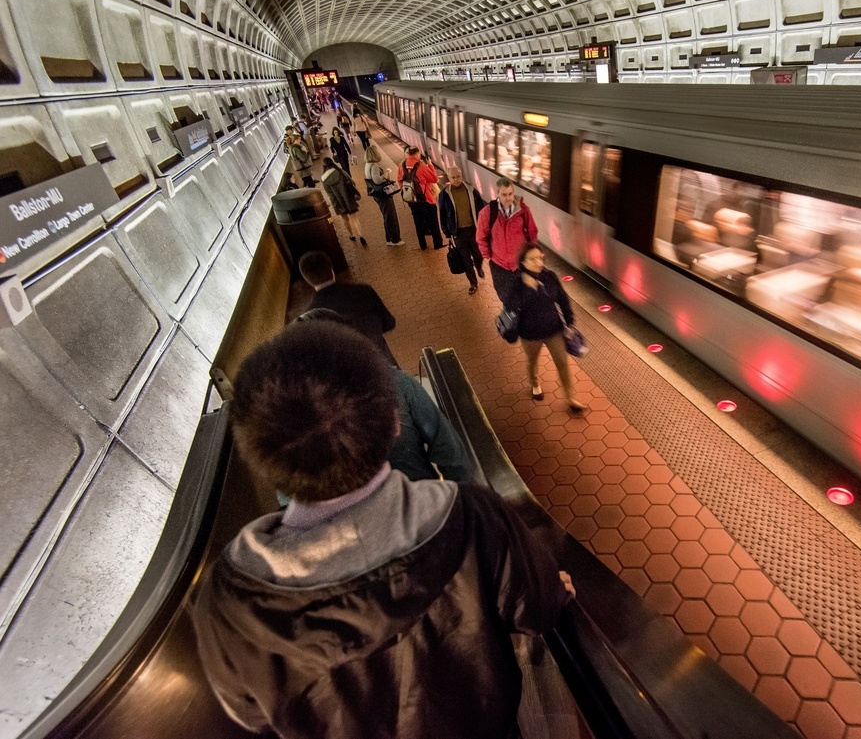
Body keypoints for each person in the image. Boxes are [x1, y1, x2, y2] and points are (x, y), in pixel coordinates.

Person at [191, 321, 574, 739]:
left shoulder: (227, 604)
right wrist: (555, 587)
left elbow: (254, 716)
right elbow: (536, 608)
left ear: (262, 464)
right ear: (394, 423)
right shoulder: (473, 519)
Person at [296, 308, 471, 481]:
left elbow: (290, 495)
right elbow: (450, 453)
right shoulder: (396, 384)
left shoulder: (294, 426)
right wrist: (460, 499)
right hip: (424, 498)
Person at [507, 244, 585, 415]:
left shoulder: (550, 277)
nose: (538, 262)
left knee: (562, 363)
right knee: (532, 361)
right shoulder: (517, 284)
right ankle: (535, 384)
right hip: (529, 334)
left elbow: (563, 300)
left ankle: (571, 397)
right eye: (532, 259)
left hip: (553, 330)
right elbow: (510, 307)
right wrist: (528, 288)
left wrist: (569, 322)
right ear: (523, 262)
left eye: (539, 257)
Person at [298, 251, 394, 363]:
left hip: (351, 374)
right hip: (383, 360)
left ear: (307, 279)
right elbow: (389, 323)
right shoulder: (363, 291)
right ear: (331, 270)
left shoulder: (311, 317)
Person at [477, 177, 537, 306]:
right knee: (507, 300)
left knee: (526, 298)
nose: (508, 198)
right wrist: (488, 257)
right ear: (497, 193)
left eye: (510, 194)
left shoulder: (523, 210)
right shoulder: (487, 213)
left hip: (520, 264)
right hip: (500, 266)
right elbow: (481, 237)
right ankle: (512, 321)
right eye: (504, 194)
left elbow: (532, 232)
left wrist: (530, 255)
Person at [438, 166, 487, 294]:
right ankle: (473, 283)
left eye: (458, 177)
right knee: (465, 260)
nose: (456, 180)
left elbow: (482, 210)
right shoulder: (444, 194)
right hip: (458, 233)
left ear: (462, 175)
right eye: (453, 177)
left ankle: (479, 266)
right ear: (448, 178)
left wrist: (483, 227)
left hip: (473, 230)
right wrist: (447, 233)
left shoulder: (471, 190)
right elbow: (442, 214)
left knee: (478, 254)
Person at [401, 146, 442, 250]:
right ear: (417, 154)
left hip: (411, 199)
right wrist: (431, 165)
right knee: (433, 220)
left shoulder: (402, 165)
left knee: (417, 221)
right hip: (425, 198)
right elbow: (434, 179)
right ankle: (437, 243)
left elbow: (399, 181)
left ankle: (422, 245)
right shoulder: (421, 165)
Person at [319, 157, 366, 247]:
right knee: (354, 218)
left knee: (345, 219)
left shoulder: (323, 179)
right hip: (348, 198)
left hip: (338, 202)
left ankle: (352, 235)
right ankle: (361, 236)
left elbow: (329, 194)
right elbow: (352, 182)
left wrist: (335, 204)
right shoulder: (340, 171)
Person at [364, 145, 404, 246]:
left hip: (377, 195)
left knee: (386, 215)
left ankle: (389, 238)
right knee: (390, 216)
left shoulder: (367, 165)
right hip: (383, 195)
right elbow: (378, 180)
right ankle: (395, 240)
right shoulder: (374, 166)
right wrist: (386, 173)